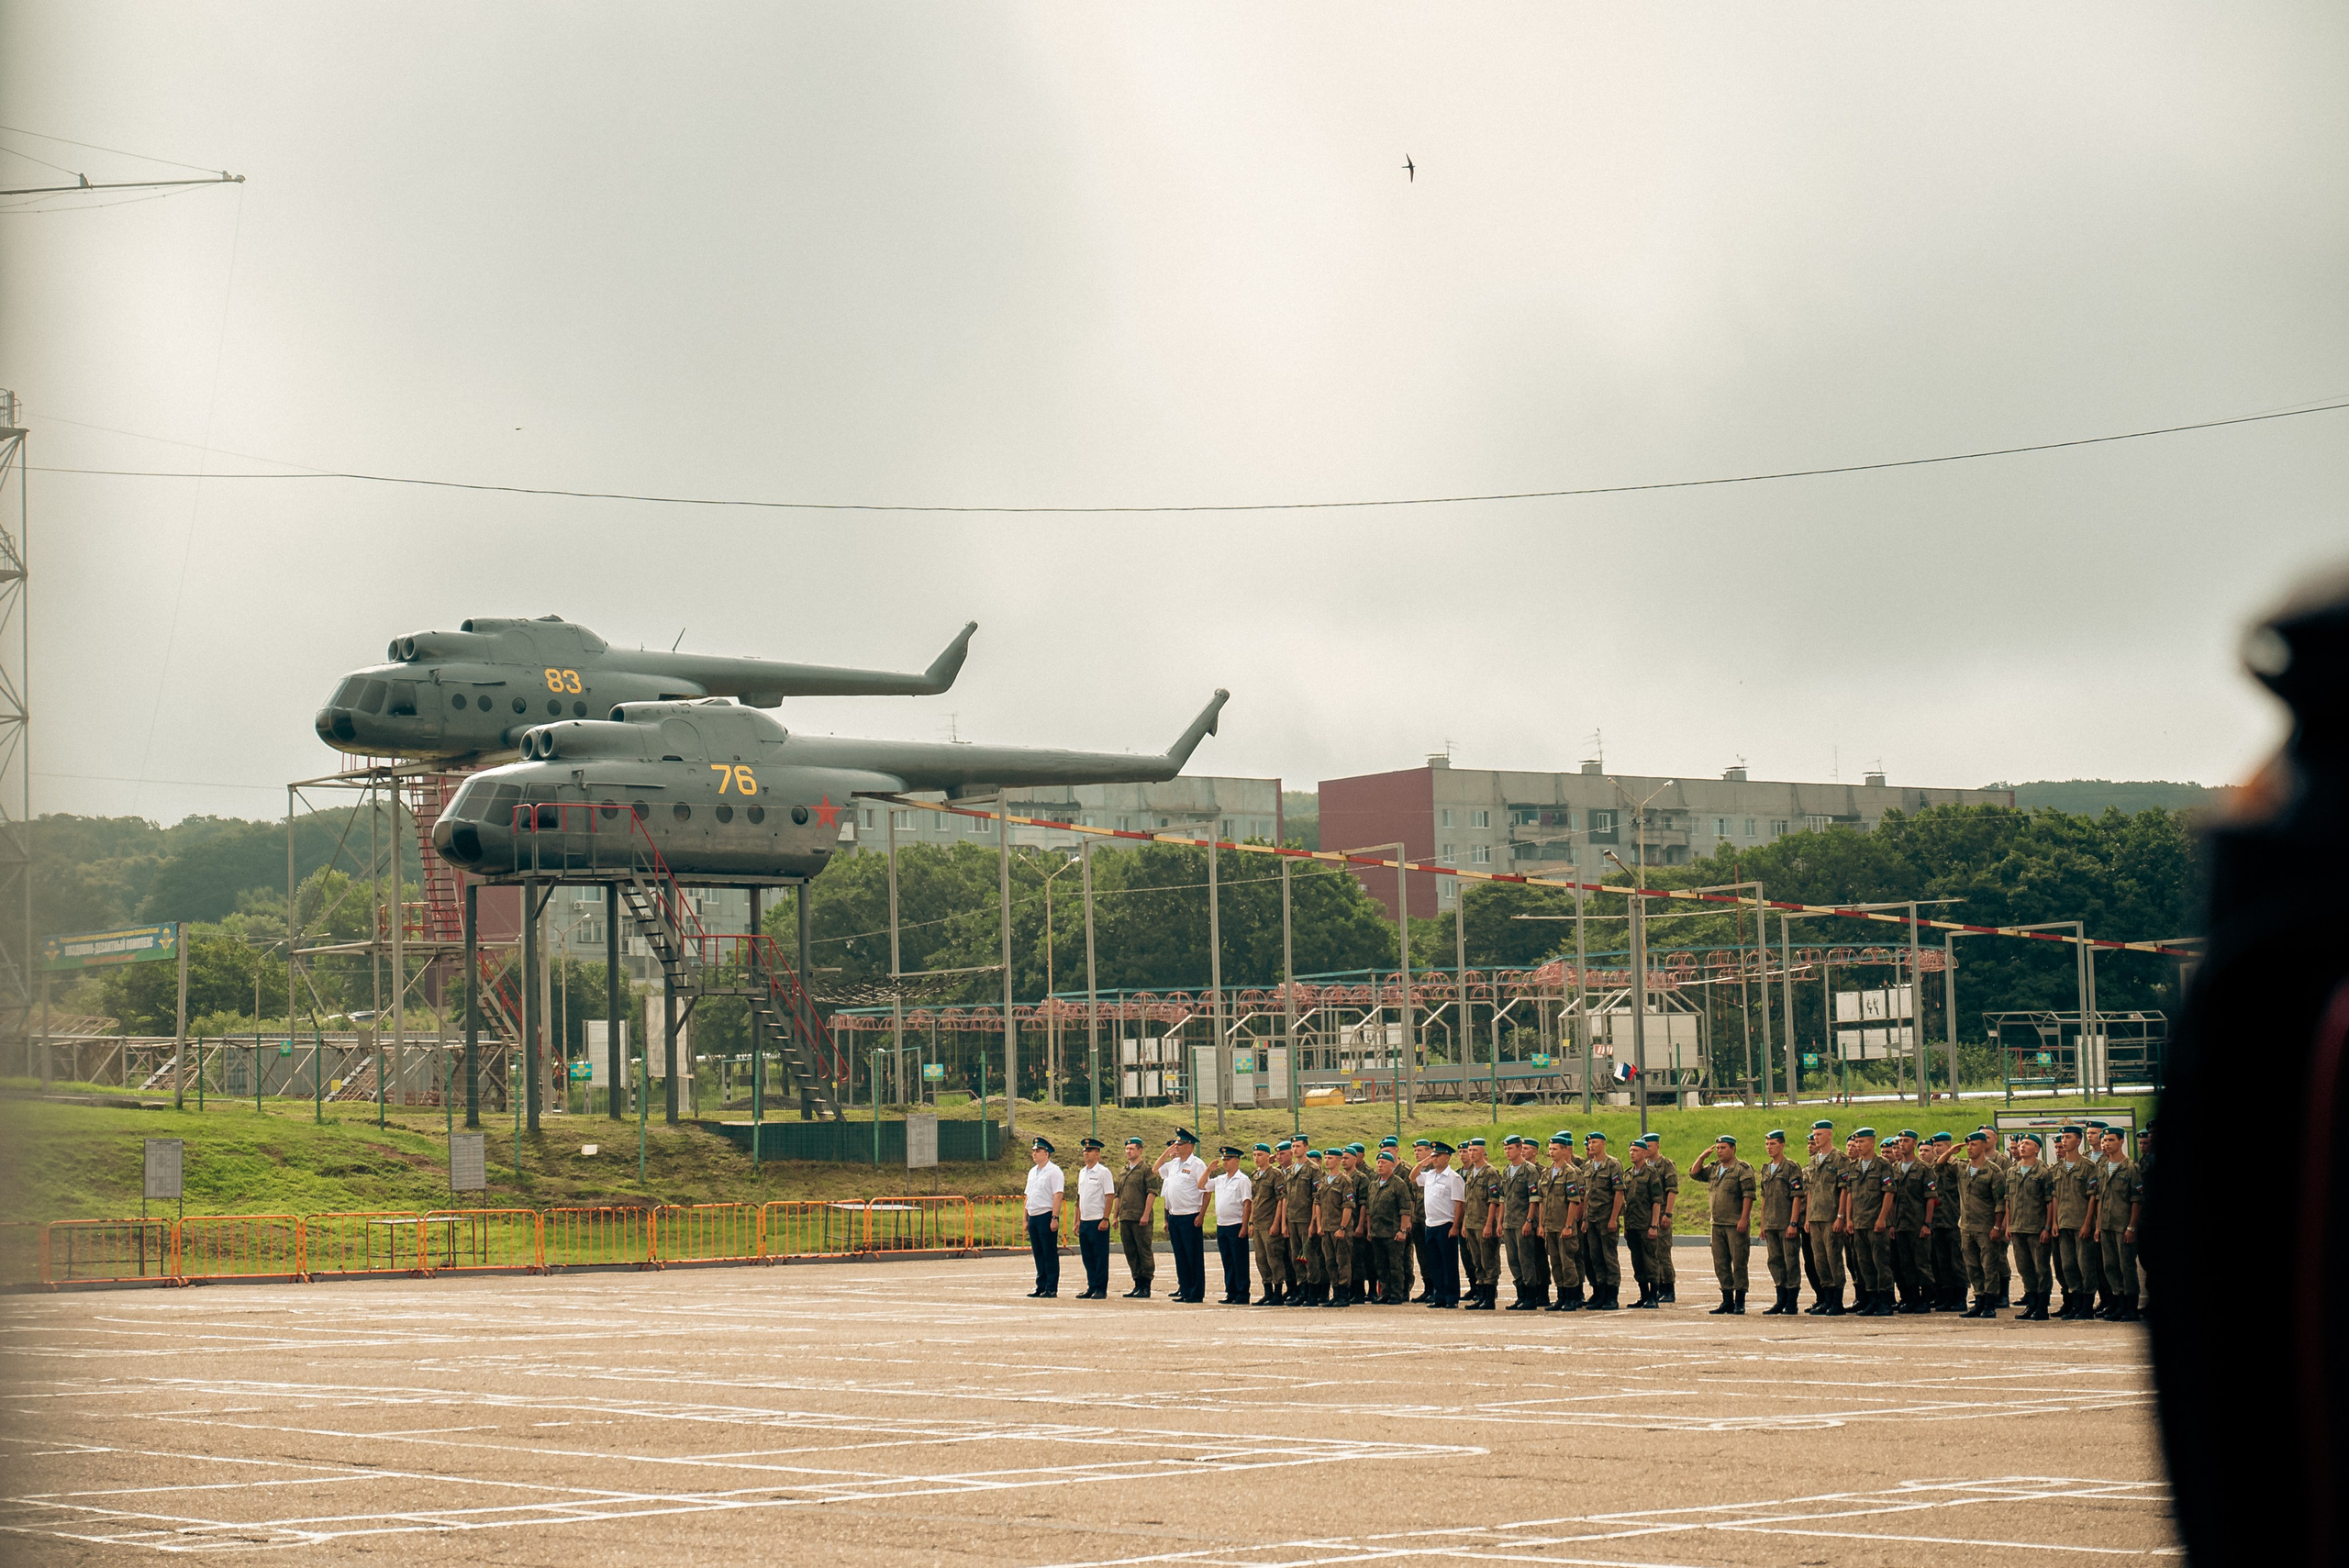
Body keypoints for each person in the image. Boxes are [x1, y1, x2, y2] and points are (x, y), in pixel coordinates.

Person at [1687, 1134, 1756, 1314]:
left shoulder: (1742, 1169)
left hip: (1735, 1223)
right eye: (1717, 1148)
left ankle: (1740, 1301)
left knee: (1739, 1262)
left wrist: (1744, 1218)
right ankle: (1727, 1300)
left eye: (1723, 1148)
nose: (1719, 1151)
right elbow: (1694, 1173)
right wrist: (1702, 1157)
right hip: (1717, 1224)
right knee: (1720, 1263)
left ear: (1733, 1149)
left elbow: (1748, 1195)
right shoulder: (1714, 1169)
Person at [1954, 1130, 2008, 1318]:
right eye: (1967, 1144)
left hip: (1986, 1227)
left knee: (1989, 1266)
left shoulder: (1994, 1171)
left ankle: (1990, 1303)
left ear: (1984, 1146)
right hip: (1967, 1227)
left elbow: (2000, 1201)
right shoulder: (1962, 1168)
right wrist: (1952, 1150)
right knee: (1972, 1266)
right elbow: (1939, 1165)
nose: (1969, 1148)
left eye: (1973, 1144)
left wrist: (1996, 1227)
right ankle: (1978, 1300)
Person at [2091, 1128, 2143, 1320]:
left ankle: (2131, 1307)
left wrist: (2131, 1227)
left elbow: (2136, 1199)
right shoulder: (2103, 1168)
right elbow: (2099, 1198)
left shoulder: (2130, 1168)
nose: (2106, 1144)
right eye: (2104, 1141)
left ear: (2121, 1142)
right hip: (2106, 1226)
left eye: (2111, 1140)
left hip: (2123, 1226)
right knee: (2110, 1267)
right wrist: (2098, 1226)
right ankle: (2118, 1304)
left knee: (2126, 1267)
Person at [1842, 1128, 1894, 1317]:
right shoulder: (1854, 1166)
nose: (1858, 1145)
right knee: (1864, 1264)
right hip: (1859, 1222)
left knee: (1881, 1263)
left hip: (1876, 1223)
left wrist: (1882, 1218)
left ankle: (1885, 1301)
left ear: (1871, 1142)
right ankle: (1872, 1300)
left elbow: (1889, 1192)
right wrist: (1848, 1219)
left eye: (1861, 1142)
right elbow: (1850, 1194)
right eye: (1856, 1142)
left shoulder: (1882, 1165)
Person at [2049, 1125, 2099, 1319]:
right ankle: (2075, 1303)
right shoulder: (2058, 1168)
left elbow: (2093, 1197)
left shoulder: (2088, 1167)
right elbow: (2055, 1197)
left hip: (2081, 1224)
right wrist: (2054, 1222)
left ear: (2078, 1141)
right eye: (2062, 1137)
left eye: (2068, 1137)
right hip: (2063, 1223)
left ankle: (2087, 1305)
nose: (2064, 1141)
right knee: (2068, 1266)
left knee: (2085, 1265)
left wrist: (2088, 1223)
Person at [2004, 1131, 2055, 1320]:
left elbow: (2049, 1201)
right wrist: (2008, 1225)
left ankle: (2042, 1306)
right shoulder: (2012, 1171)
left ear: (2037, 1149)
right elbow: (2008, 1200)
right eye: (2020, 1143)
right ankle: (2031, 1303)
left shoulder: (2044, 1172)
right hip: (2018, 1228)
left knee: (2041, 1268)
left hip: (2037, 1228)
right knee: (2024, 1269)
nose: (2021, 1146)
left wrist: (2047, 1227)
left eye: (2027, 1143)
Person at [1155, 1129, 1209, 1303]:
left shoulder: (1197, 1164)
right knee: (1180, 1255)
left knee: (1193, 1255)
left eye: (1180, 1144)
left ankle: (1196, 1292)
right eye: (1176, 1144)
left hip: (1190, 1215)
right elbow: (1155, 1169)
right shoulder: (1174, 1164)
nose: (1176, 1147)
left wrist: (1201, 1215)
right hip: (1174, 1215)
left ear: (1191, 1146)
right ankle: (1185, 1289)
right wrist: (1167, 1152)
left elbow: (1206, 1191)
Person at [1801, 1120, 1849, 1316]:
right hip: (1815, 1218)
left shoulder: (1839, 1159)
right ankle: (1826, 1299)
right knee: (1819, 1260)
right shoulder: (1814, 1161)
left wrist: (1840, 1216)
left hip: (1831, 1216)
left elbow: (1844, 1189)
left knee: (1833, 1258)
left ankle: (1837, 1301)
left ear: (1829, 1135)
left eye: (1819, 1134)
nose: (1815, 1138)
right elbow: (1811, 1190)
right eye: (1814, 1135)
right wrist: (1808, 1217)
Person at [1755, 1129, 1805, 1315]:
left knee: (1790, 1261)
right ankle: (1780, 1298)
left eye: (1773, 1144)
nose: (1769, 1147)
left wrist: (1793, 1223)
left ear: (1782, 1145)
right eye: (1767, 1144)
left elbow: (1797, 1196)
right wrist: (1763, 1224)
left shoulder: (1791, 1167)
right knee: (1775, 1261)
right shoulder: (1766, 1169)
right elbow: (1764, 1198)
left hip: (1786, 1223)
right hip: (1771, 1223)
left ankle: (1792, 1301)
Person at [1537, 1131, 1586, 1312]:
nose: (1551, 1152)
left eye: (1555, 1149)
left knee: (1568, 1262)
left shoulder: (1570, 1173)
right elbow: (1541, 1200)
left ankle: (1573, 1297)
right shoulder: (1546, 1173)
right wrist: (1541, 1224)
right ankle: (1561, 1296)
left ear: (1565, 1150)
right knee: (1555, 1263)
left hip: (1564, 1226)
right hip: (1550, 1226)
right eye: (1550, 1149)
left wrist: (1568, 1225)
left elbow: (1574, 1201)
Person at [1888, 1130, 1935, 1315]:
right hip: (1900, 1224)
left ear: (1914, 1143)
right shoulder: (1895, 1169)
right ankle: (1911, 1298)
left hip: (1918, 1224)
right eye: (1900, 1141)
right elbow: (1891, 1198)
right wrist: (1892, 1223)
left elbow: (1930, 1198)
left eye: (1906, 1141)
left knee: (1922, 1263)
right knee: (1905, 1264)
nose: (1902, 1144)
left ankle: (1927, 1299)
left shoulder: (1923, 1169)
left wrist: (1927, 1224)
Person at [1501, 1135, 1548, 1310]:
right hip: (1509, 1223)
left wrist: (1529, 1220)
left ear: (1520, 1149)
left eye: (1510, 1148)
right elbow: (1502, 1198)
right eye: (1505, 1149)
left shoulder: (1529, 1170)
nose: (1507, 1152)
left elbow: (1534, 1198)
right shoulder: (1507, 1170)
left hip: (1523, 1222)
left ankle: (1531, 1296)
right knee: (1513, 1260)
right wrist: (1500, 1222)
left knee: (1526, 1260)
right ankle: (1521, 1295)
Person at [1580, 1131, 1625, 1310]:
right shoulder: (1588, 1167)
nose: (1591, 1146)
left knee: (1609, 1257)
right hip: (1592, 1219)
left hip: (1607, 1219)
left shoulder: (1613, 1165)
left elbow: (1619, 1192)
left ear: (1604, 1144)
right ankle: (1600, 1293)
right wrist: (1584, 1218)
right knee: (1596, 1258)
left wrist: (1614, 1218)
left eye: (1595, 1142)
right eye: (1589, 1143)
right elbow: (1586, 1195)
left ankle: (1612, 1296)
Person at [1418, 1140, 1464, 1307]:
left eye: (1438, 1156)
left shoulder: (1454, 1178)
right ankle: (1440, 1297)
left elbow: (1459, 1204)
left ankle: (1452, 1298)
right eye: (1433, 1156)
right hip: (1430, 1224)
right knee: (1435, 1264)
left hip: (1446, 1224)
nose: (1435, 1159)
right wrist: (1423, 1164)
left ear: (1447, 1157)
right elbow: (1412, 1176)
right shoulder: (1429, 1175)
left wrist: (1455, 1226)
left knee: (1448, 1264)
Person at [1311, 1140, 1356, 1307]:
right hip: (1327, 1228)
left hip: (1339, 1229)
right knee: (1330, 1262)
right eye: (1326, 1158)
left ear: (1338, 1160)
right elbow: (1318, 1203)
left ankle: (1344, 1294)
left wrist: (1342, 1227)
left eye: (1330, 1158)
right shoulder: (1323, 1181)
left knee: (1342, 1261)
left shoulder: (1345, 1181)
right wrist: (1319, 1225)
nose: (1327, 1161)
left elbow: (1348, 1206)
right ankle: (1335, 1292)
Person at [1459, 1139, 1503, 1310]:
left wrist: (1489, 1224)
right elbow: (1467, 1200)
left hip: (1484, 1223)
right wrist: (1464, 1224)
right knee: (1477, 1261)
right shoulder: (1471, 1172)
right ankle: (1481, 1295)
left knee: (1488, 1261)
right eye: (1470, 1150)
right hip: (1471, 1223)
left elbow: (1493, 1201)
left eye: (1475, 1150)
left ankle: (1490, 1297)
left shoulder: (1490, 1172)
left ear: (1483, 1152)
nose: (1471, 1153)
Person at [1365, 1148, 1412, 1304]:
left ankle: (1397, 1294)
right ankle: (1385, 1293)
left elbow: (1405, 1209)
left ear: (1391, 1165)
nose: (1379, 1165)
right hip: (1378, 1232)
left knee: (1395, 1264)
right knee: (1381, 1265)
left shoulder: (1398, 1184)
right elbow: (1369, 1209)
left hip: (1393, 1232)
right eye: (1378, 1162)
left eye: (1383, 1162)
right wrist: (1370, 1229)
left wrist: (1402, 1230)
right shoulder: (1373, 1185)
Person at [1114, 1135, 1159, 1298]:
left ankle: (1146, 1284)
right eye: (1127, 1148)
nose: (1128, 1151)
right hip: (1126, 1217)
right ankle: (1137, 1283)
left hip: (1140, 1217)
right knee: (1130, 1251)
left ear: (1140, 1150)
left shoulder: (1146, 1169)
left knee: (1143, 1251)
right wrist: (1115, 1216)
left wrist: (1146, 1214)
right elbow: (1118, 1195)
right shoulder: (1123, 1171)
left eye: (1131, 1148)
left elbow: (1152, 1192)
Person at [1208, 1146, 1254, 1304]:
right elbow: (1202, 1185)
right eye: (1223, 1160)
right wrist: (1208, 1170)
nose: (1224, 1163)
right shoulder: (1220, 1179)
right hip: (1222, 1225)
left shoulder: (1242, 1180)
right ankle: (1231, 1292)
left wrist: (1244, 1225)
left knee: (1239, 1260)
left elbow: (1247, 1203)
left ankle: (1242, 1293)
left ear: (1236, 1161)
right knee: (1227, 1260)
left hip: (1236, 1224)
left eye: (1227, 1160)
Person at [1925, 1131, 1965, 1310]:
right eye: (1935, 1147)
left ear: (1949, 1146)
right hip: (1938, 1220)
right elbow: (1936, 1169)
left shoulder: (1958, 1166)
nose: (1936, 1149)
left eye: (1940, 1146)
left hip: (1954, 1220)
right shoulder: (1935, 1167)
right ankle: (1947, 1296)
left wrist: (1950, 1155)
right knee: (1942, 1262)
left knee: (1957, 1260)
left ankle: (1960, 1297)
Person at [1072, 1137, 1116, 1298]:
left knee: (1100, 1257)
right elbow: (1080, 1198)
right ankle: (1091, 1285)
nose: (1086, 1153)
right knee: (1087, 1256)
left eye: (1089, 1151)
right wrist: (1077, 1220)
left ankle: (1101, 1288)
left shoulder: (1103, 1172)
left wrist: (1105, 1218)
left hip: (1098, 1220)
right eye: (1084, 1151)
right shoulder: (1082, 1172)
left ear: (1097, 1154)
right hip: (1085, 1220)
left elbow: (1109, 1196)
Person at [1023, 1137, 1064, 1298]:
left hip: (1046, 1214)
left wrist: (1055, 1217)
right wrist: (1025, 1219)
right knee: (1038, 1252)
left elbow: (1057, 1195)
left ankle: (1051, 1286)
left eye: (1038, 1151)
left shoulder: (1054, 1171)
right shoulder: (1033, 1171)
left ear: (1046, 1153)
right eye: (1033, 1151)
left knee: (1049, 1252)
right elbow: (1028, 1196)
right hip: (1033, 1214)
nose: (1034, 1153)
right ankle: (1041, 1285)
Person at [1249, 1144, 1286, 1306]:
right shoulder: (1256, 1175)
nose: (1256, 1158)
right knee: (1261, 1259)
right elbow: (1254, 1200)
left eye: (1260, 1155)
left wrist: (1276, 1223)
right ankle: (1268, 1292)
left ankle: (1278, 1292)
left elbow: (1280, 1200)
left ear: (1268, 1156)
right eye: (1255, 1155)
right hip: (1258, 1223)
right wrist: (1251, 1222)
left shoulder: (1275, 1175)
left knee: (1274, 1258)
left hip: (1270, 1222)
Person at [1621, 1138, 1657, 1307]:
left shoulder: (1651, 1173)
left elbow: (1657, 1201)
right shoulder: (1628, 1174)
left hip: (1646, 1224)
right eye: (1630, 1150)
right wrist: (1626, 1226)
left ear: (1644, 1153)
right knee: (1637, 1262)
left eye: (1635, 1151)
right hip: (1633, 1225)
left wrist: (1654, 1225)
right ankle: (1643, 1295)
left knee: (1650, 1261)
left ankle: (1653, 1296)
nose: (1632, 1153)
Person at [1283, 1144, 1320, 1306]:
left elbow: (1316, 1197)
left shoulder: (1313, 1169)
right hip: (1292, 1219)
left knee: (1310, 1257)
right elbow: (1285, 1196)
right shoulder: (1290, 1170)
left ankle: (1313, 1292)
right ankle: (1302, 1290)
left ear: (1306, 1147)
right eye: (1293, 1146)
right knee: (1296, 1256)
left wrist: (1313, 1222)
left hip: (1306, 1219)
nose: (1295, 1149)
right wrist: (1284, 1222)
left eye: (1298, 1146)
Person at [1647, 1134, 1680, 1304]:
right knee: (1652, 1254)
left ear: (1658, 1146)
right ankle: (1658, 1286)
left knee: (1663, 1253)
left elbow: (1672, 1190)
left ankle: (1669, 1288)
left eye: (1650, 1145)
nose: (1647, 1149)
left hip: (1661, 1216)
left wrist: (1668, 1213)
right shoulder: (1643, 1165)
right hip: (1647, 1217)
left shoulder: (1666, 1165)